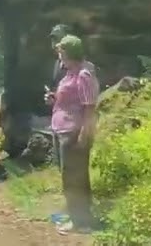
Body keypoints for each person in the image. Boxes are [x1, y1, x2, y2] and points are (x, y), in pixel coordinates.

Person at [48, 34, 99, 233]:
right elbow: (70, 100)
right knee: (69, 176)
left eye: (61, 52)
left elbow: (89, 108)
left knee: (75, 178)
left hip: (74, 132)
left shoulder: (84, 74)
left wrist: (84, 135)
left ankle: (82, 222)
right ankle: (77, 217)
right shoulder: (70, 73)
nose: (59, 56)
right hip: (63, 129)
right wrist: (54, 98)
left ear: (70, 53)